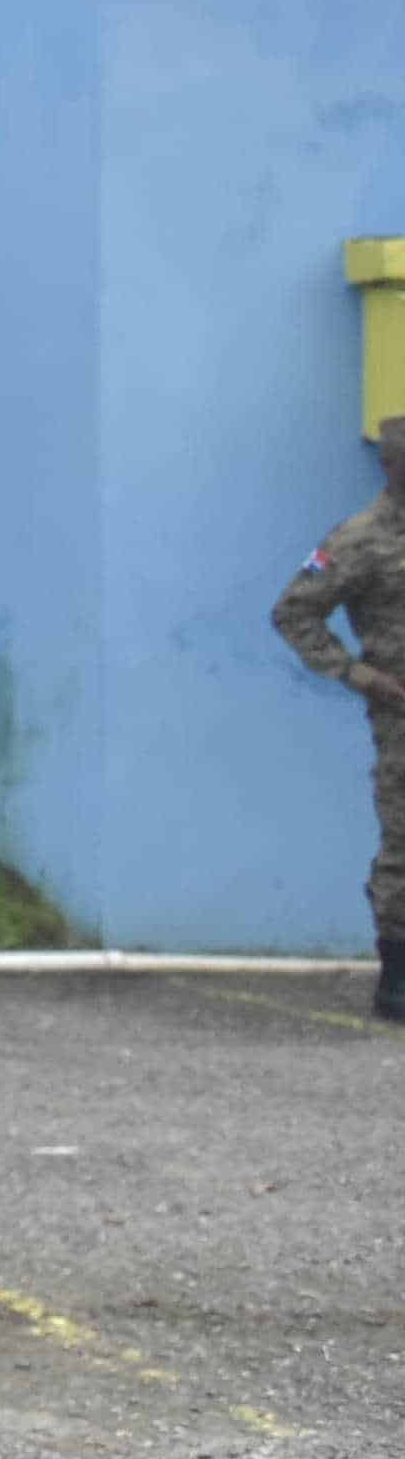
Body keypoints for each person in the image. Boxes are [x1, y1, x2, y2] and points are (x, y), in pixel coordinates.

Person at [273, 414, 405, 1025]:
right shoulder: (359, 540)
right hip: (401, 716)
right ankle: (398, 980)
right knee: (404, 843)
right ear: (389, 465)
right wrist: (363, 677)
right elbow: (294, 614)